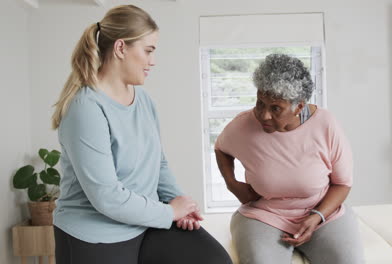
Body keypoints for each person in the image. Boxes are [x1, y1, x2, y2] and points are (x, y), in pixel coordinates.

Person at [51, 5, 231, 264]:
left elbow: (158, 163)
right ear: (121, 48)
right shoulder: (86, 108)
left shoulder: (144, 100)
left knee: (213, 259)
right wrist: (168, 211)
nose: (152, 61)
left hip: (144, 225)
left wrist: (180, 207)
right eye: (148, 51)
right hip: (94, 234)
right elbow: (107, 197)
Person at [215, 54, 365, 264]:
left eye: (275, 108)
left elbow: (342, 184)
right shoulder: (242, 126)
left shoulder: (325, 125)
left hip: (323, 214)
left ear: (299, 107)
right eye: (260, 103)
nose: (264, 115)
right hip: (265, 215)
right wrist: (231, 184)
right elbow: (220, 148)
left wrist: (317, 216)